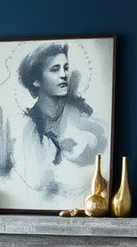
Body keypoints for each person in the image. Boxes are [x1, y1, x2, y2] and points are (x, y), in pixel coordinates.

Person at [12, 42, 108, 204]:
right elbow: (36, 181)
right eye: (55, 69)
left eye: (66, 67)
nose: (64, 75)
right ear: (36, 81)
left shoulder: (79, 113)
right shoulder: (29, 125)